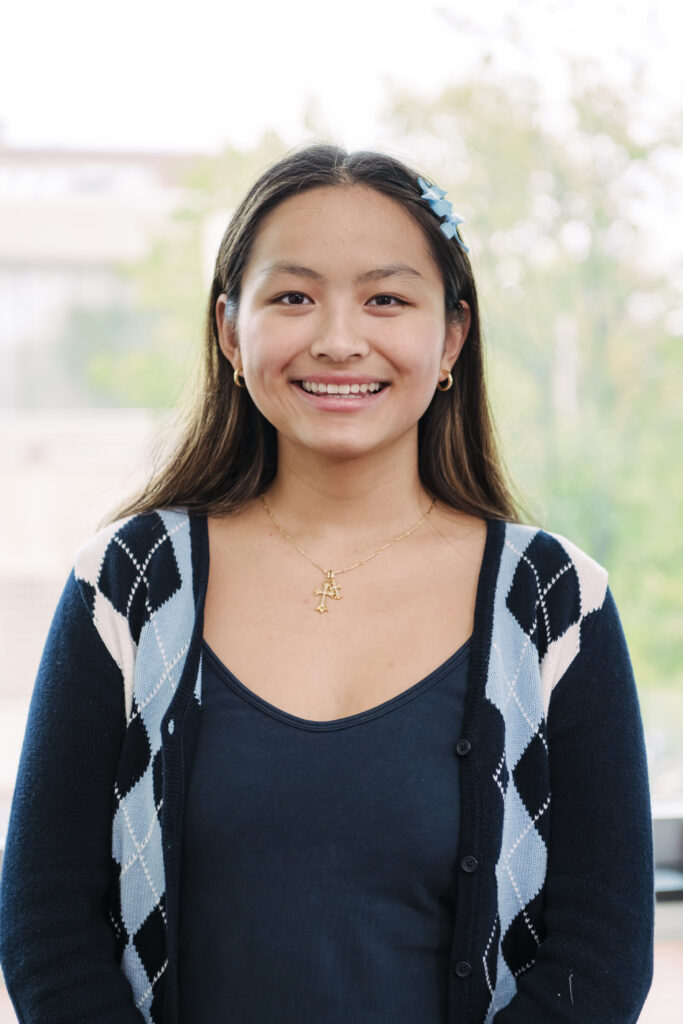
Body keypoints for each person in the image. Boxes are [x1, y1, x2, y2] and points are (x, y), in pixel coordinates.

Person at [0, 144, 654, 1024]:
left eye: (386, 298)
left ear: (451, 334)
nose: (339, 339)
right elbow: (46, 924)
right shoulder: (129, 582)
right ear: (232, 331)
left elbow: (600, 952)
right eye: (292, 297)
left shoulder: (554, 600)